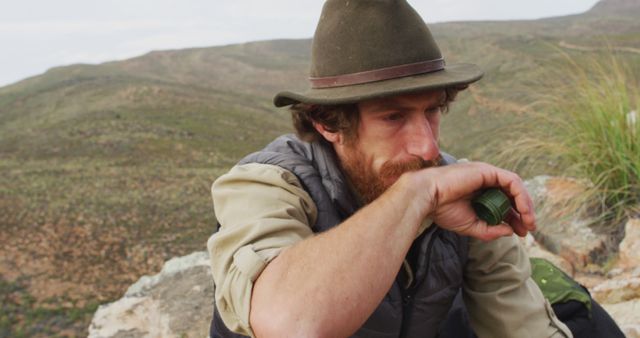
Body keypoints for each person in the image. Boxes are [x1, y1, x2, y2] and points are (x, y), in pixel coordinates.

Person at [207, 1, 623, 337]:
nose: (427, 146)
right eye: (393, 117)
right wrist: (416, 197)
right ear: (327, 122)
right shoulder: (267, 184)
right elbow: (289, 323)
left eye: (432, 111)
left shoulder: (459, 191)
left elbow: (519, 321)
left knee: (579, 315)